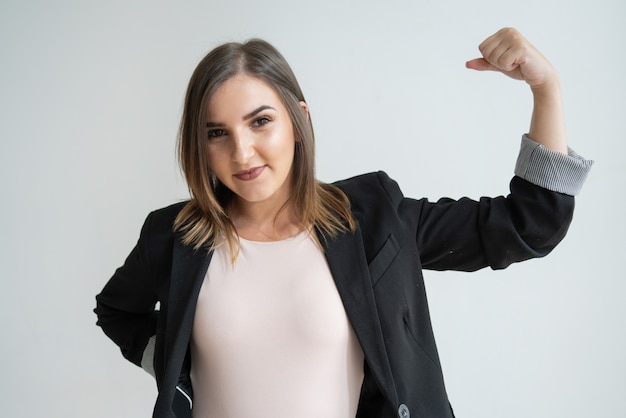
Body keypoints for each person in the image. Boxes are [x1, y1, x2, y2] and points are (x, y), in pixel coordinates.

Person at [94, 27, 593, 418]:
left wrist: (544, 87)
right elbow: (118, 311)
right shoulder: (176, 235)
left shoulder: (374, 220)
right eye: (217, 132)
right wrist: (175, 365)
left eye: (260, 121)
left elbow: (528, 225)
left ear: (299, 120)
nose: (241, 151)